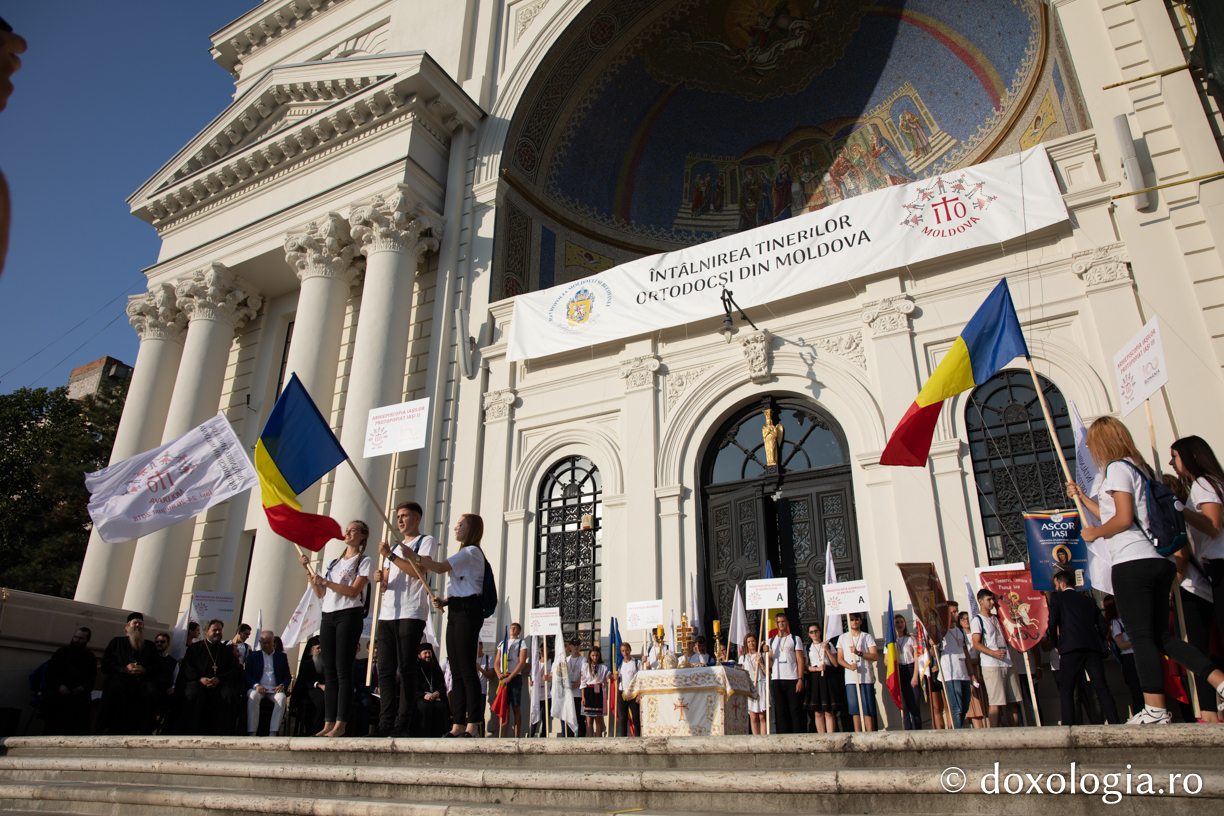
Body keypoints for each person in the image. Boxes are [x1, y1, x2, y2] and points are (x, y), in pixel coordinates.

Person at [1067, 417, 1224, 724]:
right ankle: (1220, 680)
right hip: (1158, 560)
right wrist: (1083, 499)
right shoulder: (1141, 470)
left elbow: (1123, 520)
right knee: (1160, 636)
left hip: (1132, 561)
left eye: (1092, 441)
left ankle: (1155, 709)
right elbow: (1119, 512)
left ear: (1103, 441)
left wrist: (1095, 534)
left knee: (1141, 637)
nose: (1088, 445)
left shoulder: (1116, 469)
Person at [408, 513, 486, 738]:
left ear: (471, 529)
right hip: (457, 609)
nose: (455, 528)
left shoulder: (470, 551)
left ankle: (473, 725)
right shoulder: (464, 553)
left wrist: (415, 557)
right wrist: (445, 601)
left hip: (468, 612)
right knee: (456, 669)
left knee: (467, 669)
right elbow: (464, 585)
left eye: (460, 524)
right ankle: (457, 724)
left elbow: (440, 567)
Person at [300, 519, 372, 738]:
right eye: (347, 530)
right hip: (328, 615)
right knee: (329, 671)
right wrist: (307, 571)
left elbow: (353, 591)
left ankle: (341, 723)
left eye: (353, 531)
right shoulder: (333, 563)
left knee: (343, 669)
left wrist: (327, 583)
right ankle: (328, 722)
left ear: (362, 536)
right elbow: (321, 594)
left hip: (349, 615)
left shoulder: (364, 560)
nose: (348, 533)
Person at [371, 501, 436, 738]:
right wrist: (382, 579)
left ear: (417, 518)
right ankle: (385, 721)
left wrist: (390, 555)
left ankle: (403, 722)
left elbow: (417, 573)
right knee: (386, 669)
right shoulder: (395, 549)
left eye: (405, 516)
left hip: (411, 612)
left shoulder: (425, 541)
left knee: (407, 667)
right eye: (398, 516)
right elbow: (389, 580)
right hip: (388, 613)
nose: (399, 520)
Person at [1170, 436, 1224, 717]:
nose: (1172, 463)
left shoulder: (1204, 483)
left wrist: (1183, 512)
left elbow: (1213, 526)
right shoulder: (1208, 483)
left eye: (1175, 456)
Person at [1046, 569, 1120, 725]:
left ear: (1061, 583)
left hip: (1070, 648)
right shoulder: (1089, 601)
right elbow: (1103, 626)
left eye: (1056, 584)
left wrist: (1056, 643)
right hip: (1093, 649)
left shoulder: (1058, 599)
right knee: (1101, 687)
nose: (1056, 587)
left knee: (1067, 689)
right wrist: (1097, 640)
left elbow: (1052, 623)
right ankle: (1114, 722)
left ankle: (1068, 725)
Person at [101, 612, 160, 735]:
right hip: (120, 678)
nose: (137, 625)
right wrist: (123, 669)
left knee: (150, 690)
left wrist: (144, 670)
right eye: (135, 623)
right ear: (127, 627)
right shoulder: (116, 642)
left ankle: (144, 730)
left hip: (141, 680)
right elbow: (106, 664)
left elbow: (157, 666)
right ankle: (112, 728)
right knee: (116, 688)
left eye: (140, 623)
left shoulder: (149, 645)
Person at [180, 619, 242, 735]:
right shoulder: (195, 648)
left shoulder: (226, 651)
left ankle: (223, 734)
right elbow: (187, 668)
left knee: (229, 694)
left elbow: (231, 670)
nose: (218, 632)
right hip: (198, 683)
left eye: (220, 630)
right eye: (215, 630)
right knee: (193, 693)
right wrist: (200, 679)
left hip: (219, 684)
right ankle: (190, 732)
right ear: (207, 631)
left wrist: (219, 679)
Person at [971, 590, 1020, 727]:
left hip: (1007, 662)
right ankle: (994, 734)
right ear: (980, 601)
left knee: (1013, 701)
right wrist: (993, 653)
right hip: (991, 664)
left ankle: (1015, 732)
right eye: (989, 600)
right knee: (996, 702)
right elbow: (976, 643)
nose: (992, 602)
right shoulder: (977, 620)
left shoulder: (998, 618)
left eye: (993, 600)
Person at [42, 628, 97, 736]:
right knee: (52, 698)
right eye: (75, 637)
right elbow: (50, 674)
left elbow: (91, 678)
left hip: (77, 692)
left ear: (87, 640)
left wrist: (82, 687)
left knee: (83, 702)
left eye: (81, 638)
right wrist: (59, 686)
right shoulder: (61, 652)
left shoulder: (90, 657)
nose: (77, 640)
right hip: (58, 689)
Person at [835, 613, 878, 732]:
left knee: (867, 708)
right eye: (852, 620)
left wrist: (859, 653)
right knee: (855, 709)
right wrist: (849, 666)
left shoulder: (867, 637)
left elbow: (875, 656)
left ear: (860, 621)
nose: (854, 622)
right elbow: (839, 659)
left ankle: (870, 733)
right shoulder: (843, 638)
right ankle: (858, 734)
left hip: (866, 678)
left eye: (856, 620)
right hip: (851, 679)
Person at [765, 613, 806, 733]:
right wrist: (766, 653)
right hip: (777, 679)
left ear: (787, 622)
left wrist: (800, 679)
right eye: (778, 622)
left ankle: (797, 734)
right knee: (780, 710)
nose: (781, 624)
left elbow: (799, 659)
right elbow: (770, 662)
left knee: (794, 709)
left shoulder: (794, 639)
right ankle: (782, 735)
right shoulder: (772, 641)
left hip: (792, 678)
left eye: (783, 621)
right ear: (776, 624)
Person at [244, 630, 290, 736]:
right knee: (253, 696)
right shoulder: (253, 656)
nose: (267, 645)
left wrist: (282, 685)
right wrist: (256, 685)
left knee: (282, 698)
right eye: (264, 643)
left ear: (273, 642)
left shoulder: (281, 656)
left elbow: (287, 675)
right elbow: (247, 675)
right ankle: (252, 732)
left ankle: (273, 732)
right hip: (258, 687)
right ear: (260, 643)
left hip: (275, 688)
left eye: (269, 642)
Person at [1104, 594, 1143, 718]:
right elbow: (1121, 644)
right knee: (1137, 693)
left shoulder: (1131, 619)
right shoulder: (1116, 623)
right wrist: (1139, 640)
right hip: (1130, 659)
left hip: (1139, 657)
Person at [495, 622, 530, 737]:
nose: (513, 629)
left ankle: (516, 736)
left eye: (515, 628)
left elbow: (522, 662)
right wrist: (499, 673)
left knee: (516, 707)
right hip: (503, 678)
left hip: (514, 678)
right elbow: (496, 662)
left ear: (519, 631)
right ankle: (503, 736)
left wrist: (510, 677)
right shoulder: (502, 643)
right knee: (505, 708)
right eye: (511, 627)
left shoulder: (521, 643)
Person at [940, 604, 971, 729]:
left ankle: (956, 731)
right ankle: (958, 735)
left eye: (957, 611)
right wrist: (933, 645)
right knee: (956, 708)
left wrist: (972, 673)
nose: (957, 614)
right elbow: (933, 652)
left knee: (964, 707)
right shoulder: (941, 632)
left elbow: (966, 652)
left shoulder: (960, 631)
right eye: (953, 612)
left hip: (963, 673)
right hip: (951, 674)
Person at [804, 622, 837, 733]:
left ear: (820, 632)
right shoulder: (807, 648)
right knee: (818, 712)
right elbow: (806, 667)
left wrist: (827, 650)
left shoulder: (829, 645)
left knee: (828, 711)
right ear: (809, 634)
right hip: (814, 677)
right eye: (811, 632)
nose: (814, 634)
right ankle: (821, 736)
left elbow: (835, 663)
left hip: (827, 676)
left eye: (816, 631)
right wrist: (817, 669)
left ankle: (831, 736)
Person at [290, 637, 325, 735]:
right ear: (312, 649)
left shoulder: (325, 663)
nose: (320, 651)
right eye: (318, 648)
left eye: (322, 648)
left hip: (323, 690)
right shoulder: (307, 664)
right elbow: (304, 681)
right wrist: (318, 685)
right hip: (308, 691)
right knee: (321, 701)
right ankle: (314, 730)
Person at [415, 643, 451, 736]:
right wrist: (424, 695)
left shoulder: (435, 669)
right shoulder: (416, 670)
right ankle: (422, 735)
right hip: (421, 698)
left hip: (435, 699)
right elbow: (413, 688)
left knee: (442, 707)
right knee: (424, 706)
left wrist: (438, 693)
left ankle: (440, 735)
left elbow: (442, 687)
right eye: (425, 653)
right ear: (419, 656)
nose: (428, 655)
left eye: (429, 653)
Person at [895, 615, 922, 730]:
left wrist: (915, 676)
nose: (900, 624)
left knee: (914, 704)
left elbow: (916, 658)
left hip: (911, 669)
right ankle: (907, 730)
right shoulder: (891, 641)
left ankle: (917, 730)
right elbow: (887, 661)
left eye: (902, 622)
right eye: (897, 622)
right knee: (904, 706)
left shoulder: (911, 639)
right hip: (899, 670)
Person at [579, 646, 609, 737]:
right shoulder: (585, 666)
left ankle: (598, 739)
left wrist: (610, 678)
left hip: (598, 691)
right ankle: (590, 739)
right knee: (589, 720)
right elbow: (583, 682)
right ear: (590, 656)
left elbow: (606, 680)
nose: (595, 658)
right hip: (589, 691)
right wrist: (583, 697)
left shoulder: (604, 667)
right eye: (593, 655)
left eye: (597, 655)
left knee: (598, 719)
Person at [615, 642, 641, 736]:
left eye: (626, 650)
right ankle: (623, 738)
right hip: (623, 692)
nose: (625, 652)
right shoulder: (620, 664)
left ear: (630, 650)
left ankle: (638, 737)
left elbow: (640, 679)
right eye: (623, 651)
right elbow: (618, 679)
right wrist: (615, 678)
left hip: (633, 693)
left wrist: (639, 694)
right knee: (623, 718)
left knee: (636, 717)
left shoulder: (636, 662)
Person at [566, 637, 587, 737]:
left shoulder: (583, 660)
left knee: (579, 718)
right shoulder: (566, 660)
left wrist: (575, 685)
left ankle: (581, 737)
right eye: (574, 645)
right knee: (569, 718)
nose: (576, 647)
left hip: (578, 693)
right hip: (569, 694)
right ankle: (569, 737)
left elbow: (583, 675)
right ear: (570, 647)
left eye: (578, 645)